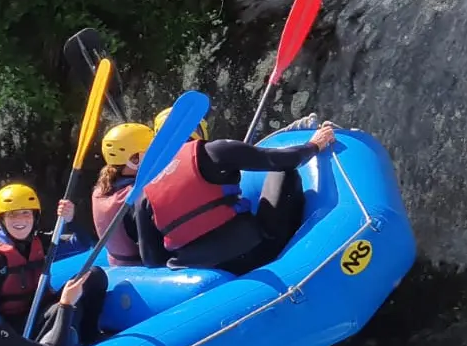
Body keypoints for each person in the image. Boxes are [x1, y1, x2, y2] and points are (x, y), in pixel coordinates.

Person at [136, 108, 336, 274]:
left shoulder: (143, 191)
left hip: (199, 271)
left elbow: (152, 260)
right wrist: (314, 144)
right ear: (199, 130)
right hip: (253, 253)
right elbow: (284, 160)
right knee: (283, 173)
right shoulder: (213, 151)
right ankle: (299, 249)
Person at [0, 183, 108, 343]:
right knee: (60, 309)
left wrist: (71, 220)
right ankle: (62, 343)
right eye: (12, 214)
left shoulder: (42, 242)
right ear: (1, 220)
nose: (20, 220)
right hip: (19, 326)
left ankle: (89, 334)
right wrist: (8, 341)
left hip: (44, 308)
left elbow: (83, 243)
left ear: (35, 216)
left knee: (94, 275)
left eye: (26, 213)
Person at [92, 123, 154, 267]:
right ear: (134, 160)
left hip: (116, 264)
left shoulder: (99, 190)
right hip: (140, 268)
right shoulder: (138, 194)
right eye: (150, 151)